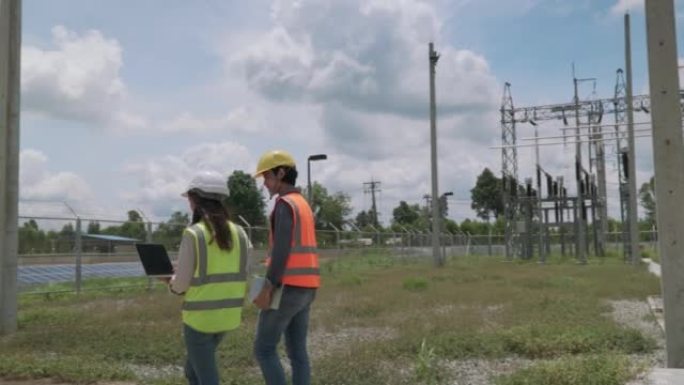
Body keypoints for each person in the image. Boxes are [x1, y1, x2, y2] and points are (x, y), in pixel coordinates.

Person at [166, 170, 250, 385]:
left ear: (194, 199)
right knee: (192, 372)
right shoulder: (240, 233)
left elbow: (181, 286)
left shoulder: (194, 233)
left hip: (199, 320)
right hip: (227, 317)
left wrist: (169, 281)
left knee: (207, 379)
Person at [252, 150, 320, 385]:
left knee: (264, 349)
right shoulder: (303, 204)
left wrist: (269, 285)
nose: (265, 184)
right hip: (308, 288)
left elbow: (281, 250)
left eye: (267, 177)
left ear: (281, 173)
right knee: (298, 352)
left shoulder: (284, 204)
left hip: (287, 287)